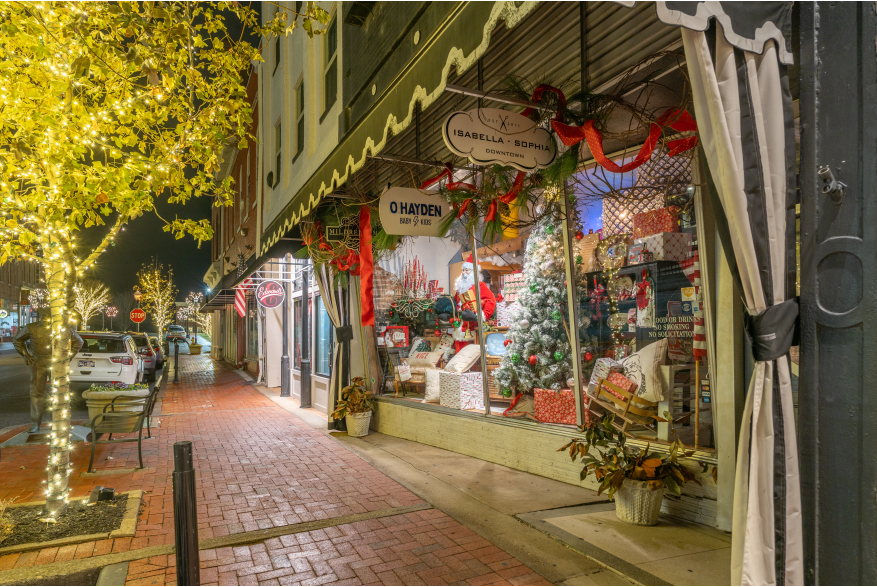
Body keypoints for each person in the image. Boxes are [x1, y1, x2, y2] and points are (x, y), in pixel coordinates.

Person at [13, 309, 84, 433]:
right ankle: (35, 424)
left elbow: (79, 342)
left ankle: (58, 423)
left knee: (58, 393)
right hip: (38, 363)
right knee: (36, 393)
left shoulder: (63, 327)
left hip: (57, 364)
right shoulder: (31, 327)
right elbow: (17, 340)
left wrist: (67, 358)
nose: (46, 317)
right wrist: (26, 355)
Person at [453, 255, 496, 337]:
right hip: (460, 327)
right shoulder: (460, 288)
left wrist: (480, 315)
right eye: (463, 270)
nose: (464, 273)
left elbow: (491, 300)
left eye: (467, 270)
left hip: (474, 328)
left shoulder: (480, 286)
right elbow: (454, 303)